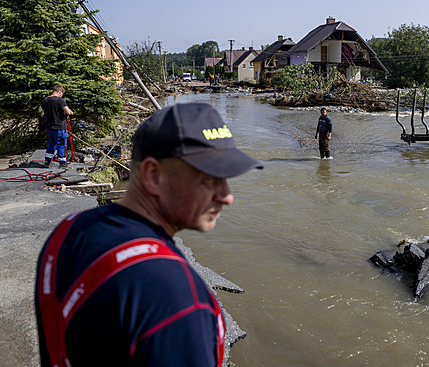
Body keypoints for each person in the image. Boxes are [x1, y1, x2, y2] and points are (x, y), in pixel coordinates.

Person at [35, 103, 263, 367]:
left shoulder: (69, 229)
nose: (227, 196)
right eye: (209, 179)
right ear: (154, 175)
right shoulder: (178, 297)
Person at [42, 85, 74, 167]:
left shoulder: (45, 100)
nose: (61, 95)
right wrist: (71, 112)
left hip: (49, 126)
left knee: (51, 143)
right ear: (59, 92)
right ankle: (62, 163)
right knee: (61, 144)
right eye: (61, 94)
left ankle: (47, 161)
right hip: (59, 127)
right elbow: (67, 112)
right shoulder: (60, 101)